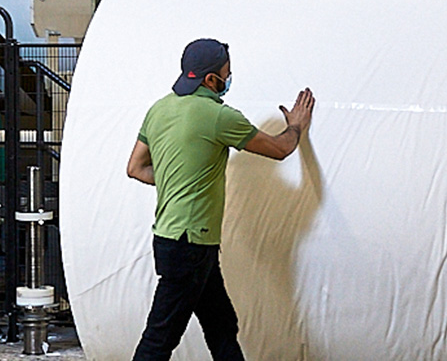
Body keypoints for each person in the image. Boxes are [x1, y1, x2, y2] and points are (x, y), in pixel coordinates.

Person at [126, 38, 314, 360]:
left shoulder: (159, 109)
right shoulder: (219, 116)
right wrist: (295, 127)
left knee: (221, 324)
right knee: (158, 341)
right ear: (211, 79)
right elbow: (281, 149)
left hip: (175, 240)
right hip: (191, 244)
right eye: (227, 73)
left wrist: (177, 178)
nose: (228, 79)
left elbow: (136, 168)